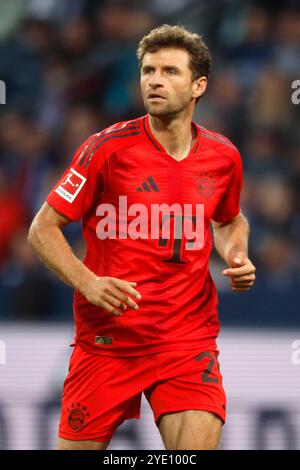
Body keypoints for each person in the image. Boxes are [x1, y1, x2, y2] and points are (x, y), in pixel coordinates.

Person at [28, 24, 256, 450]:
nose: (154, 80)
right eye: (148, 70)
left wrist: (236, 254)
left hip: (185, 342)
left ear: (198, 85)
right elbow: (42, 227)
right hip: (107, 344)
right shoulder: (105, 149)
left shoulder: (224, 157)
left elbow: (228, 220)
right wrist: (88, 282)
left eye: (170, 71)